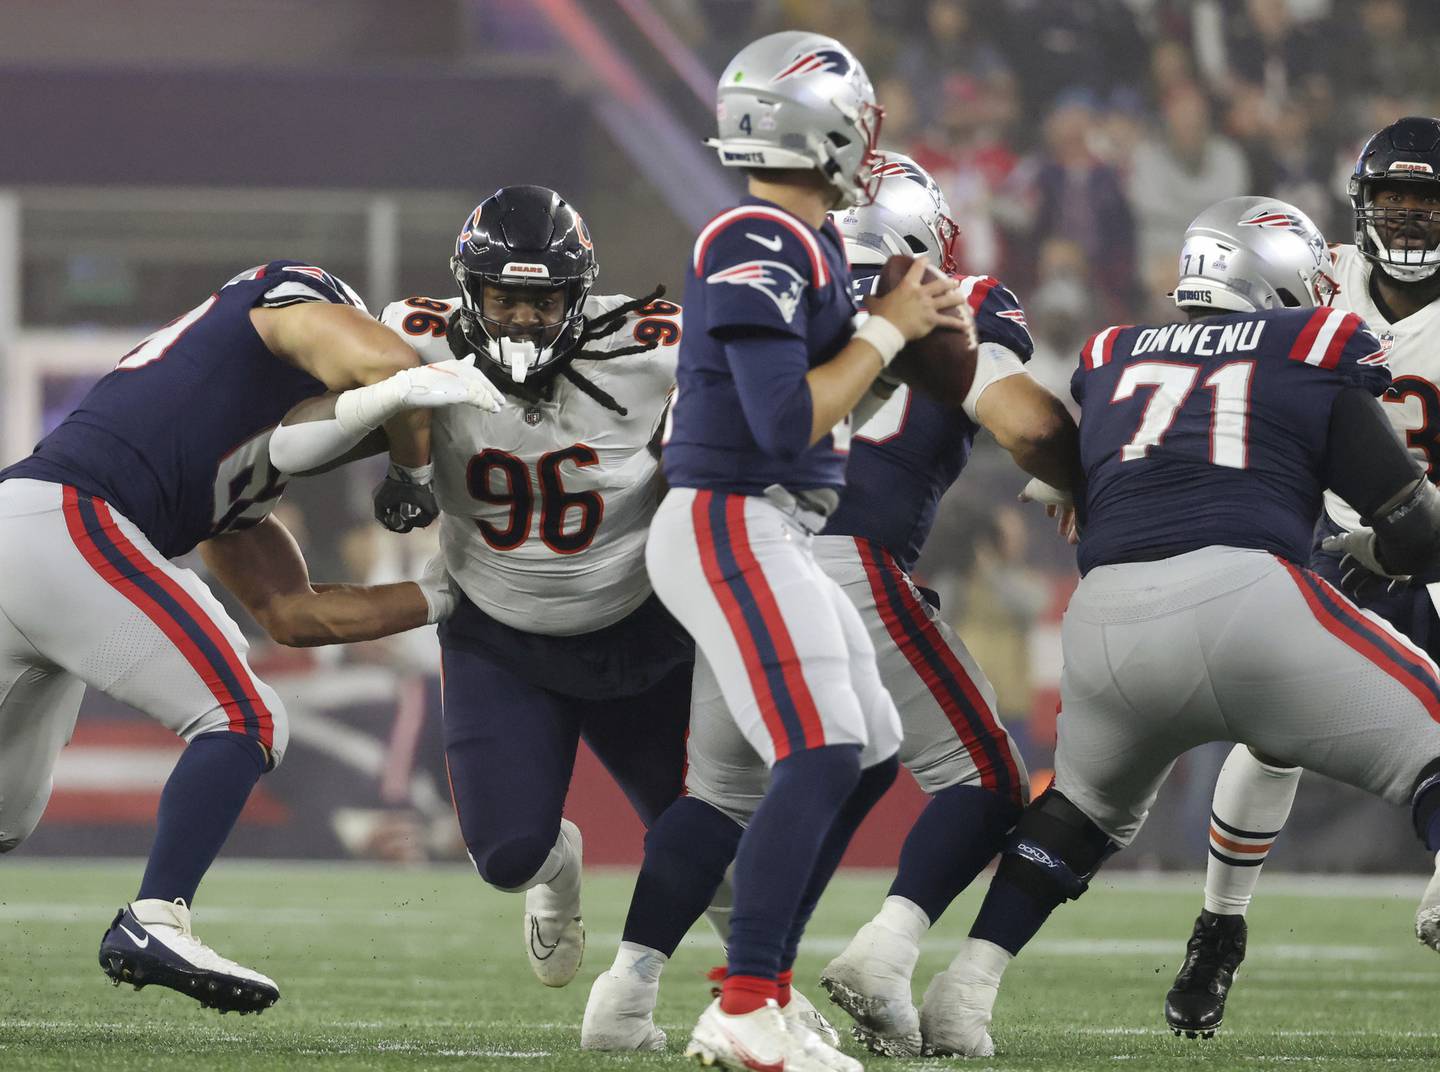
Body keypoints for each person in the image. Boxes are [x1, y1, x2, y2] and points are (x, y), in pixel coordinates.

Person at [580, 151, 1079, 1058]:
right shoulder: (945, 295)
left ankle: (625, 992)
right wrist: (1074, 481)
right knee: (984, 776)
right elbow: (1025, 422)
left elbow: (667, 450)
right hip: (830, 554)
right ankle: (866, 962)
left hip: (721, 546)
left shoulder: (779, 287)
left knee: (723, 793)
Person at [917, 195, 1440, 1058]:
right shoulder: (1309, 342)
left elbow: (1080, 460)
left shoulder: (1113, 349)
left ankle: (963, 986)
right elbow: (1414, 527)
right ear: (1274, 278)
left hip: (1110, 621)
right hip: (1254, 599)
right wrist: (1371, 538)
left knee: (1077, 812)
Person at [0, 260, 498, 1013]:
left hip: (34, 533)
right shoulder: (283, 297)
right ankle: (156, 917)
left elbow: (293, 614)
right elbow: (394, 368)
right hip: (70, 518)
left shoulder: (232, 466)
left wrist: (445, 595)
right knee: (244, 717)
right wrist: (410, 473)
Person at [643, 32, 971, 1072]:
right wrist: (883, 331)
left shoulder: (806, 245)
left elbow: (829, 407)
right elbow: (784, 422)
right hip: (731, 511)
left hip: (772, 517)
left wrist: (904, 338)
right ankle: (745, 1002)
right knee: (822, 748)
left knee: (868, 745)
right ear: (828, 122)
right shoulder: (756, 232)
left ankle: (758, 995)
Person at [277, 185, 695, 992]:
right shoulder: (413, 334)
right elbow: (293, 446)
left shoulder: (655, 346)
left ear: (580, 294)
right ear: (468, 290)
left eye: (544, 302)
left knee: (709, 842)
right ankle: (558, 873)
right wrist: (394, 396)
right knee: (507, 858)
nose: (523, 320)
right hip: (500, 633)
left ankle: (746, 1001)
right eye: (504, 298)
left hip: (639, 628)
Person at [1163, 116, 1440, 1038]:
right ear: (1360, 205)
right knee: (1272, 736)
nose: (1407, 218)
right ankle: (1219, 926)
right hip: (1330, 535)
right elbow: (1204, 351)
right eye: (1392, 199)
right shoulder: (1313, 277)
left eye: (1426, 200)